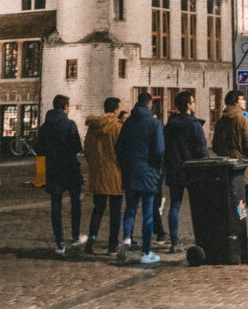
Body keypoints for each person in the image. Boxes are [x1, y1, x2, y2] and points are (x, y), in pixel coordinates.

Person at [115, 91, 165, 266]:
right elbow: (159, 150)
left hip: (130, 171)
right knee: (148, 213)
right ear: (149, 104)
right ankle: (145, 252)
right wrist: (157, 167)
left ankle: (127, 238)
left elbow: (118, 148)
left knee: (130, 209)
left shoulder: (127, 123)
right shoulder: (154, 123)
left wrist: (125, 164)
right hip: (148, 171)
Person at [37, 94, 86, 255]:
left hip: (53, 169)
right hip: (70, 168)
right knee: (75, 203)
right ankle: (75, 236)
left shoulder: (45, 126)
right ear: (65, 107)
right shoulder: (69, 124)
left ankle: (59, 242)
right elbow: (77, 147)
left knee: (56, 205)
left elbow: (39, 149)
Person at [163, 90, 207, 253]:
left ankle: (174, 242)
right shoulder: (194, 125)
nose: (194, 104)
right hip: (193, 170)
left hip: (175, 169)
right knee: (199, 206)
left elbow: (165, 147)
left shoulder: (170, 126)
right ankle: (201, 239)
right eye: (193, 101)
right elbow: (201, 149)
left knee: (174, 205)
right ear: (188, 105)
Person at [83, 96, 123, 255]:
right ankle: (112, 245)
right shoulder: (118, 127)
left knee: (98, 209)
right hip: (115, 174)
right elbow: (122, 151)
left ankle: (91, 241)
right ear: (116, 110)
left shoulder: (93, 127)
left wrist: (95, 164)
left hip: (99, 174)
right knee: (115, 212)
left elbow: (86, 150)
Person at [212, 89, 248, 205]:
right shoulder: (243, 119)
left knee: (229, 202)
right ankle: (240, 220)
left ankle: (232, 221)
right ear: (235, 102)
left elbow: (215, 146)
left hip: (225, 165)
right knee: (242, 202)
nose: (245, 101)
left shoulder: (221, 120)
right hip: (242, 165)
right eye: (242, 99)